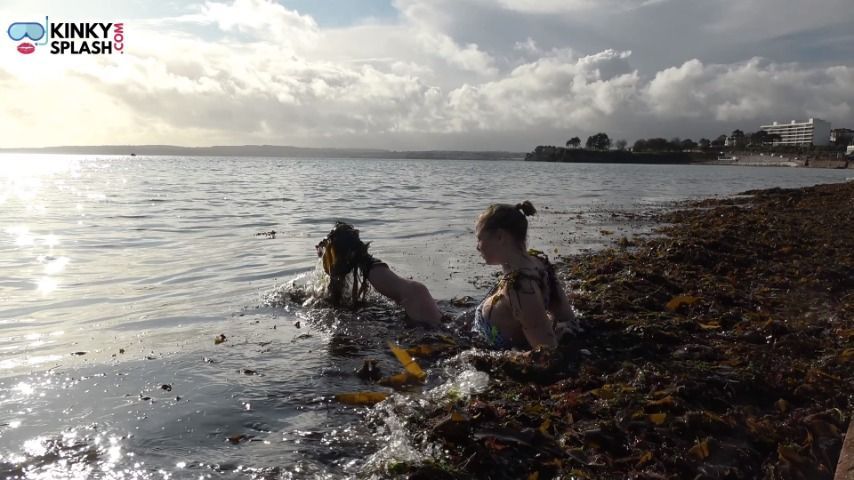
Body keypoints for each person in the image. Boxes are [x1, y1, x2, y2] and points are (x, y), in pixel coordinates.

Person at [472, 201, 579, 349]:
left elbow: (545, 352)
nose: (477, 247)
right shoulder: (539, 265)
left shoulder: (521, 288)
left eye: (479, 239)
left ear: (500, 237)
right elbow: (568, 318)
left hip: (497, 346)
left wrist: (554, 339)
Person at [314, 222, 442, 328]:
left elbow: (334, 292)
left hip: (418, 303)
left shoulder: (365, 266)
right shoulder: (368, 266)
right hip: (419, 301)